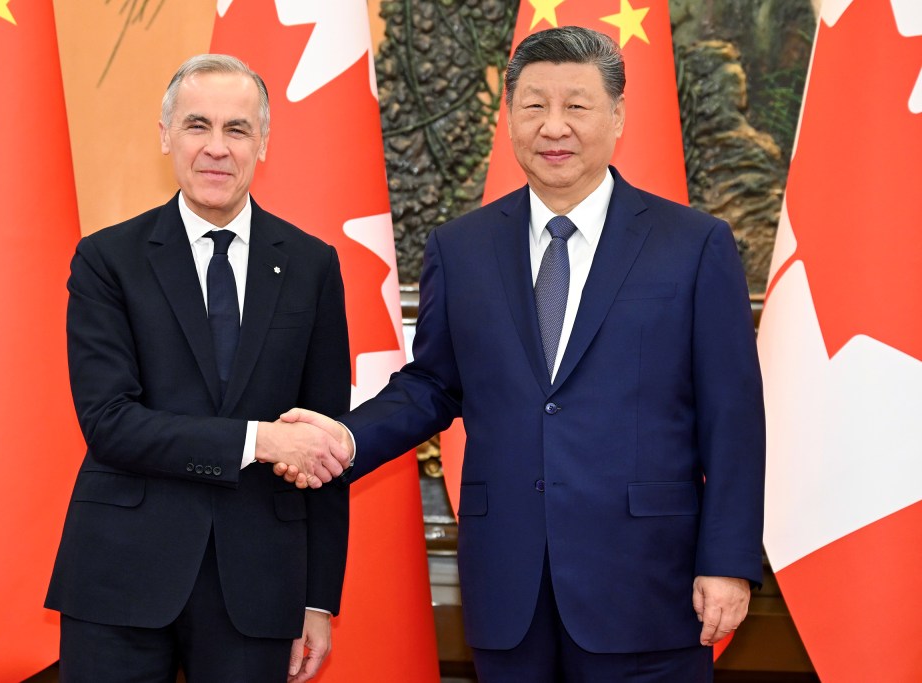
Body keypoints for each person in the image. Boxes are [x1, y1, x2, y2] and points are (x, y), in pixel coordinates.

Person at [280, 26, 766, 682]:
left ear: (618, 115)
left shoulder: (694, 244)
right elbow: (433, 385)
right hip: (510, 586)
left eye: (577, 105)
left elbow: (732, 417)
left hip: (647, 584)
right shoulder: (463, 247)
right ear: (509, 117)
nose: (554, 125)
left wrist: (729, 560)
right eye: (534, 105)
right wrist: (344, 434)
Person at [45, 54, 352, 683]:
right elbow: (109, 423)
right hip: (119, 582)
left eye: (238, 129)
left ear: (263, 143)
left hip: (259, 586)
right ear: (166, 137)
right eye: (197, 126)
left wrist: (318, 599)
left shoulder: (312, 265)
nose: (217, 148)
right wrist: (257, 440)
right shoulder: (107, 260)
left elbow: (325, 440)